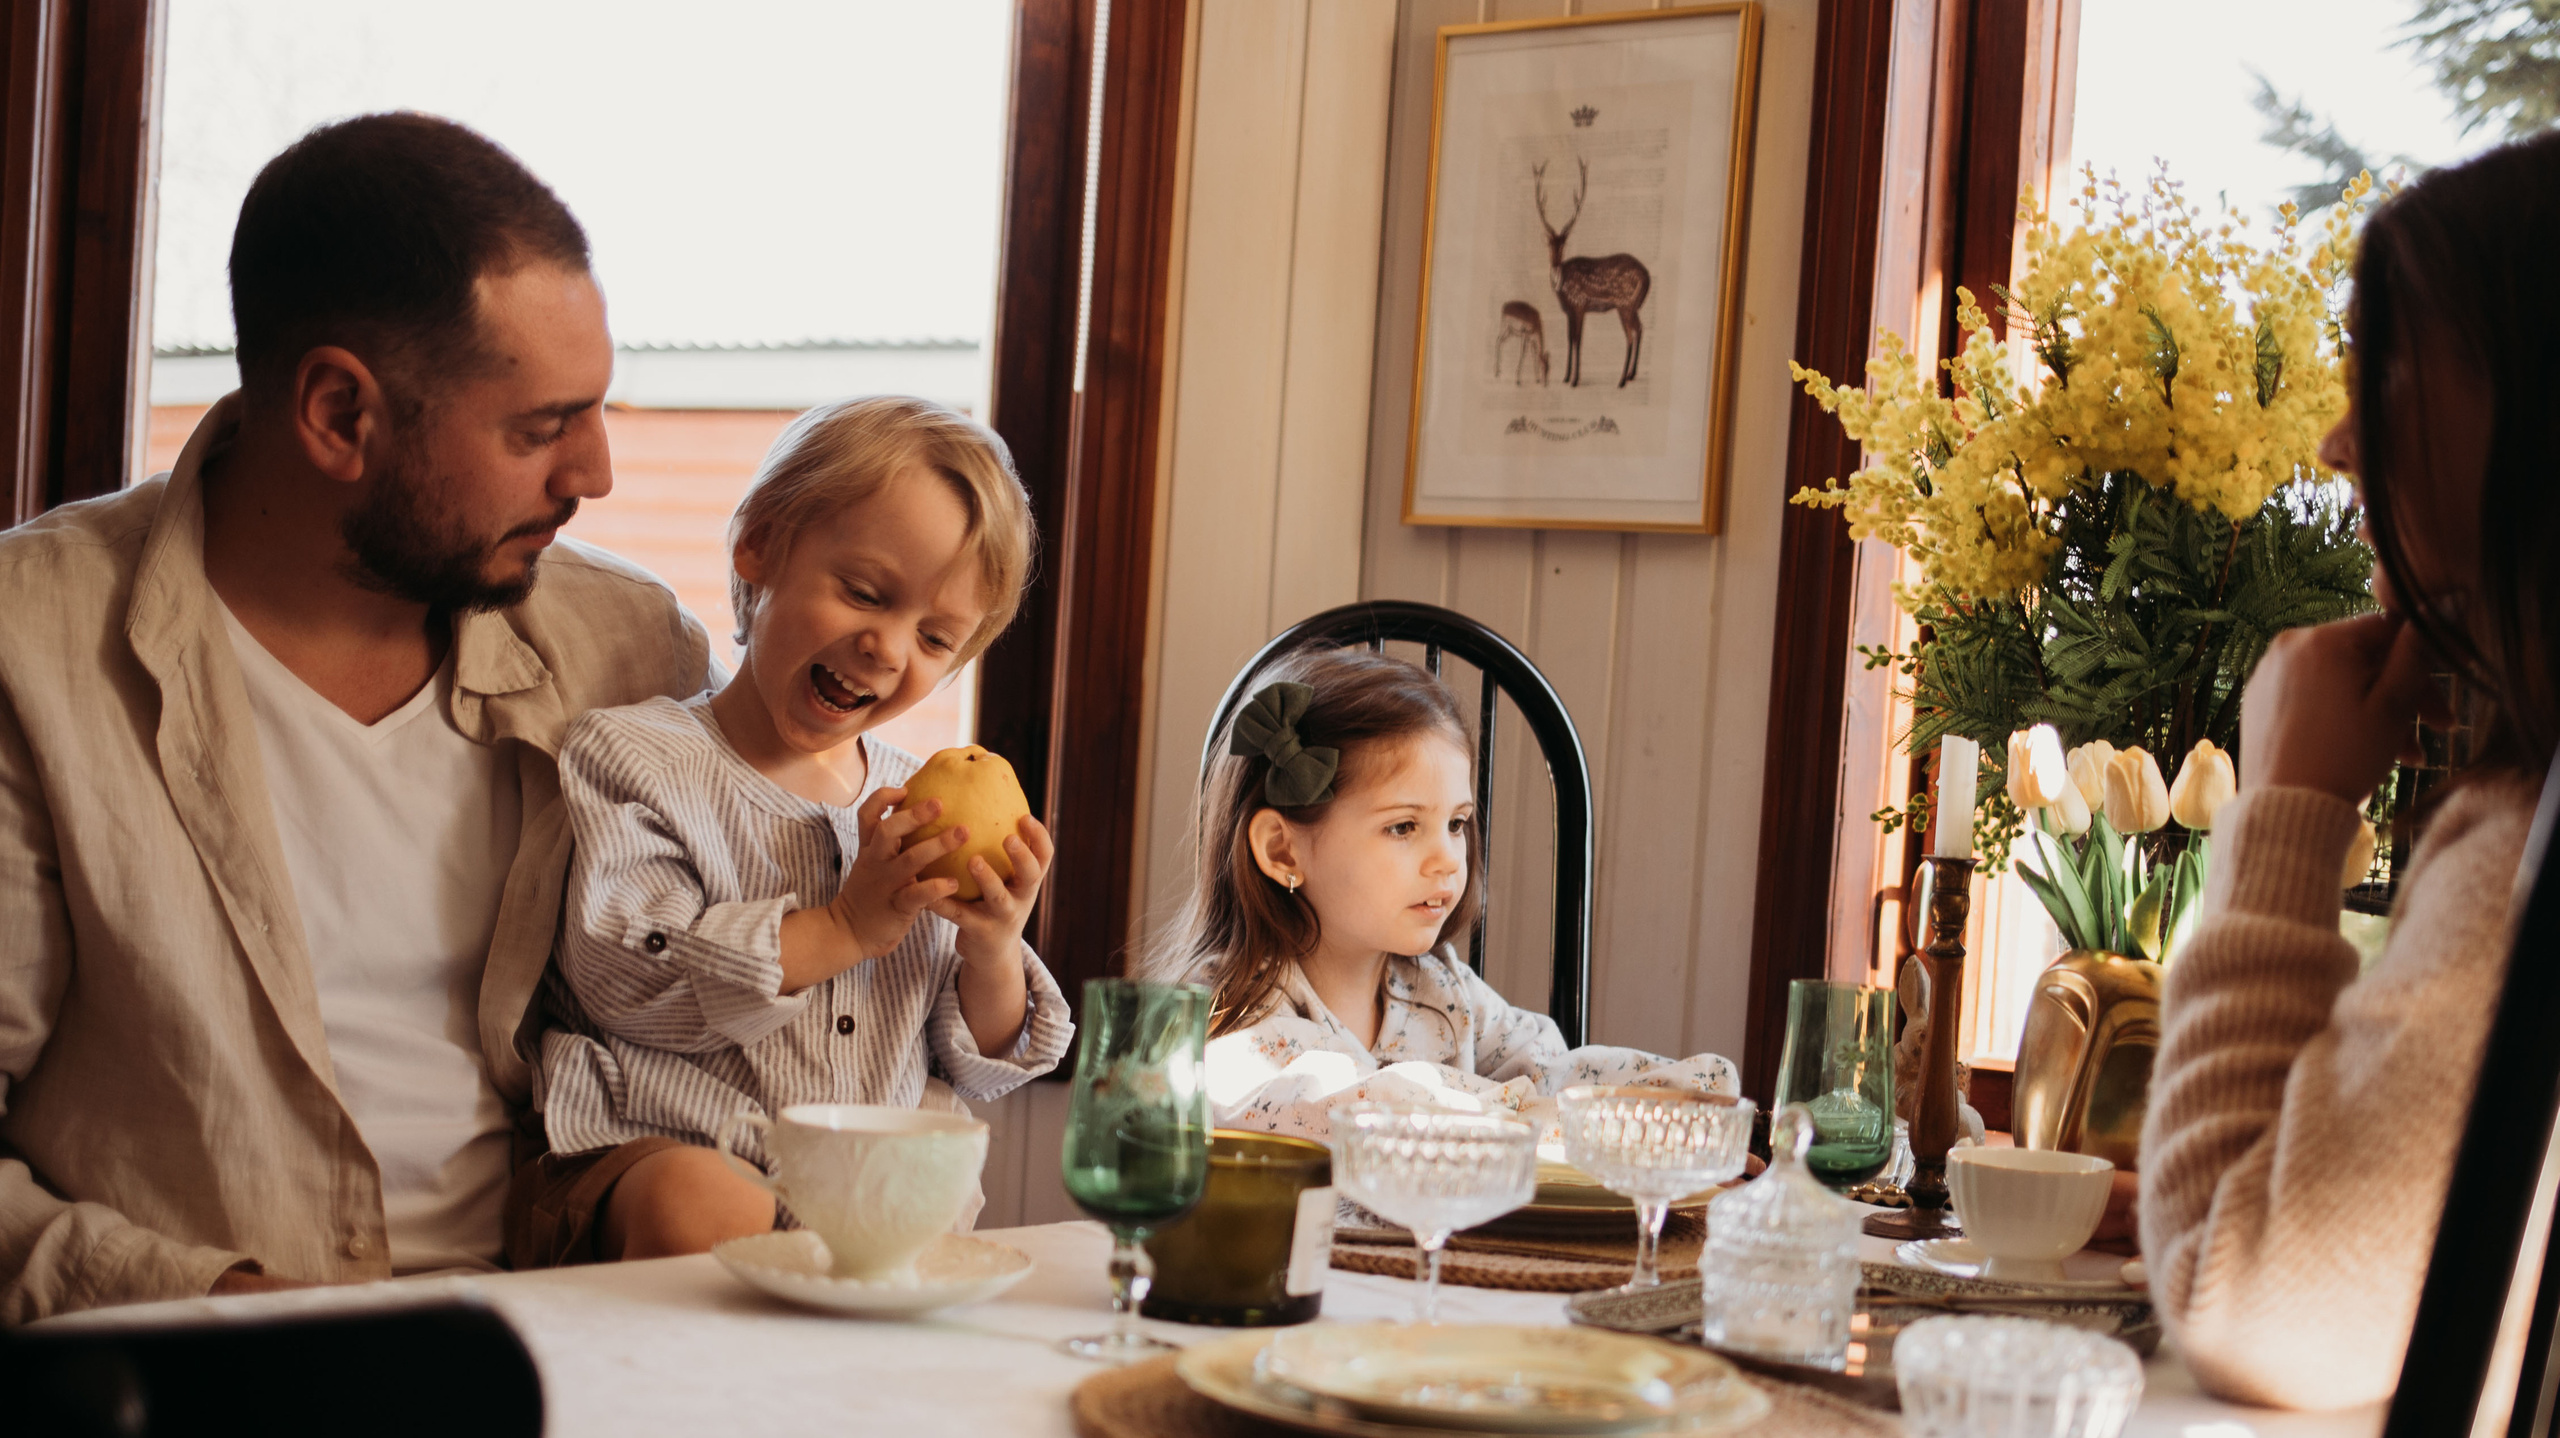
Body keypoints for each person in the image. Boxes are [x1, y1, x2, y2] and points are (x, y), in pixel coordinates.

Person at [0, 113, 715, 1322]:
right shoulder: (30, 645)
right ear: (340, 414)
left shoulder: (631, 650)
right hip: (183, 1372)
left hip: (585, 1353)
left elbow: (711, 1034)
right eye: (539, 427)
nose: (594, 474)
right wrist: (237, 1311)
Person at [2137, 130, 2560, 1409]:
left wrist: (2287, 817)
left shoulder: (2526, 852)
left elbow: (2249, 1304)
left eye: (2386, 379)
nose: (2335, 444)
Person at [510, 397, 1072, 1265]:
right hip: (660, 1152)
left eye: (934, 638)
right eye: (864, 593)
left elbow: (982, 1061)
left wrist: (994, 946)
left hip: (857, 1200)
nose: (888, 649)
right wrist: (846, 927)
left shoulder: (909, 806)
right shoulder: (636, 756)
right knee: (701, 1205)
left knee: (950, 1235)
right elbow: (626, 977)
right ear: (761, 547)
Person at [1146, 645, 1737, 1142]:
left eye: (1456, 824)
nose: (1447, 860)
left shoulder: (1439, 989)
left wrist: (1686, 1099)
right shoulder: (1228, 1012)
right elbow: (1371, 1108)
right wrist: (1547, 1116)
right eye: (1403, 827)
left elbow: (1553, 1072)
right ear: (1282, 851)